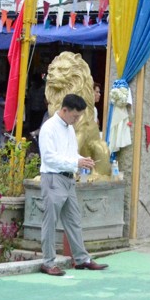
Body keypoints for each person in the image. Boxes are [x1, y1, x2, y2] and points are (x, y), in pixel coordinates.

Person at [37, 94, 110, 276]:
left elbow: (70, 153)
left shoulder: (68, 128)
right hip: (53, 177)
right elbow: (49, 158)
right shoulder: (48, 128)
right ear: (64, 110)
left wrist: (81, 160)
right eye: (75, 116)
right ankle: (48, 262)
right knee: (50, 221)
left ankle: (82, 259)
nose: (76, 120)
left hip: (68, 178)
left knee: (74, 220)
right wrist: (75, 163)